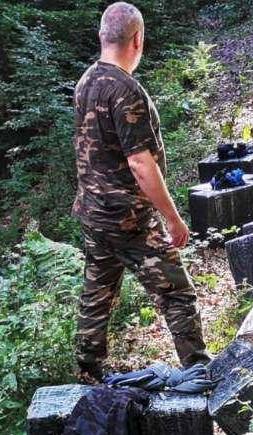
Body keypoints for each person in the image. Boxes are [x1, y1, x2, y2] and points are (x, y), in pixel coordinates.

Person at [71, 2, 209, 383]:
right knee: (176, 291)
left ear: (102, 36)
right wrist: (173, 218)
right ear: (138, 39)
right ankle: (199, 369)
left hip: (93, 213)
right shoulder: (125, 89)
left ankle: (88, 371)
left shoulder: (85, 82)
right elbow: (140, 164)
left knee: (97, 292)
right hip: (126, 218)